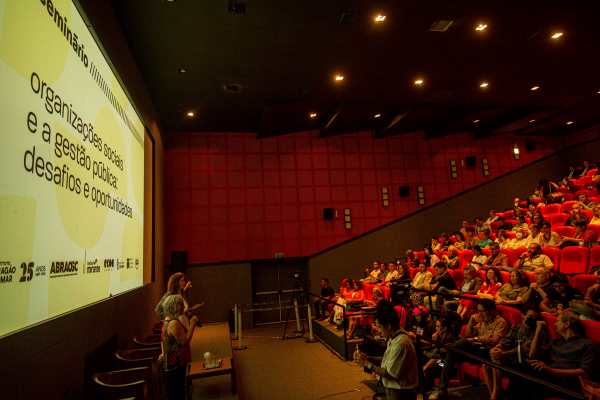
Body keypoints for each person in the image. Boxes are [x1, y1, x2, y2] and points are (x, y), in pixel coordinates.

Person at [527, 310, 600, 396]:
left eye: (558, 321)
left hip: (569, 383)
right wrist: (538, 331)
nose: (555, 324)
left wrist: (550, 370)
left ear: (566, 324)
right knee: (523, 368)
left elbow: (583, 371)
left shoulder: (588, 344)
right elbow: (532, 355)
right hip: (550, 378)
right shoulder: (556, 342)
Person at [359, 300, 419, 400]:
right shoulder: (394, 338)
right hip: (395, 388)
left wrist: (367, 364)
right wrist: (369, 358)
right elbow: (388, 360)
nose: (378, 330)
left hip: (401, 391)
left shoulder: (400, 343)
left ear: (389, 326)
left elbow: (389, 373)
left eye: (380, 327)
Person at [485, 306, 548, 400]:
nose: (529, 319)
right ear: (523, 315)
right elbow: (507, 339)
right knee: (487, 365)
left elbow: (524, 349)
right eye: (529, 316)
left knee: (496, 362)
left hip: (524, 363)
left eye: (533, 318)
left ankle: (496, 393)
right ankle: (494, 393)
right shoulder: (517, 326)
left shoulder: (538, 331)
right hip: (514, 359)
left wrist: (503, 354)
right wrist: (498, 347)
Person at [160, 294, 199, 400]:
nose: (183, 307)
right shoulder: (173, 323)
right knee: (178, 392)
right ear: (174, 306)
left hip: (170, 363)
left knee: (175, 392)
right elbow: (184, 341)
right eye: (180, 304)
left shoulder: (167, 320)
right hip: (175, 364)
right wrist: (192, 324)